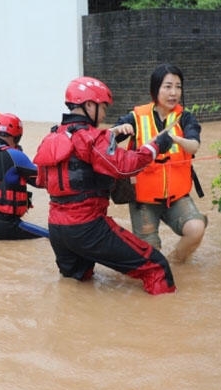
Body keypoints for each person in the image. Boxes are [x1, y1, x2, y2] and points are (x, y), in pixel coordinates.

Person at [33, 76, 177, 295]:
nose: (104, 115)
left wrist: (109, 138)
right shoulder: (91, 137)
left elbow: (42, 181)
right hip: (88, 227)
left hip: (57, 230)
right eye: (102, 108)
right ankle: (167, 325)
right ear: (89, 105)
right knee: (157, 267)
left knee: (77, 285)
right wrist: (155, 147)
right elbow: (124, 167)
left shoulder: (52, 136)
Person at [112, 63, 206, 264]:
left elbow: (194, 146)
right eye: (168, 86)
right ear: (155, 89)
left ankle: (175, 263)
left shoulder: (186, 118)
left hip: (177, 198)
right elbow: (105, 142)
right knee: (149, 257)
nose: (174, 93)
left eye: (178, 87)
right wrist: (119, 129)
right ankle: (159, 267)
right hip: (143, 200)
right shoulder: (136, 117)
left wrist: (178, 139)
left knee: (196, 228)